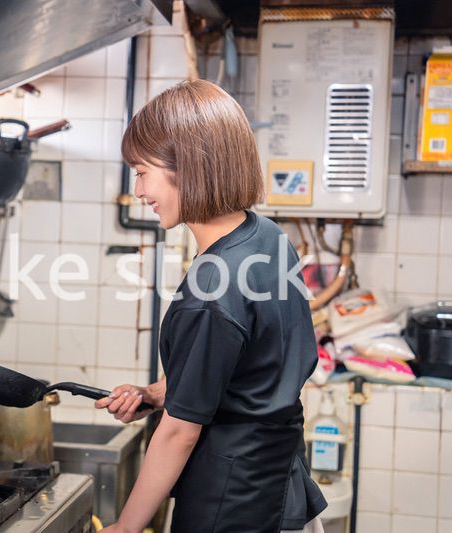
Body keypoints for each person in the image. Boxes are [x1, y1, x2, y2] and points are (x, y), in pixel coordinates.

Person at [95, 79, 327, 533]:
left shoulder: (209, 291)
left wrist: (125, 527)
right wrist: (159, 394)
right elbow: (249, 371)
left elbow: (180, 433)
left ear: (188, 168)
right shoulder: (266, 237)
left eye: (143, 172)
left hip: (233, 506)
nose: (139, 191)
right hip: (281, 492)